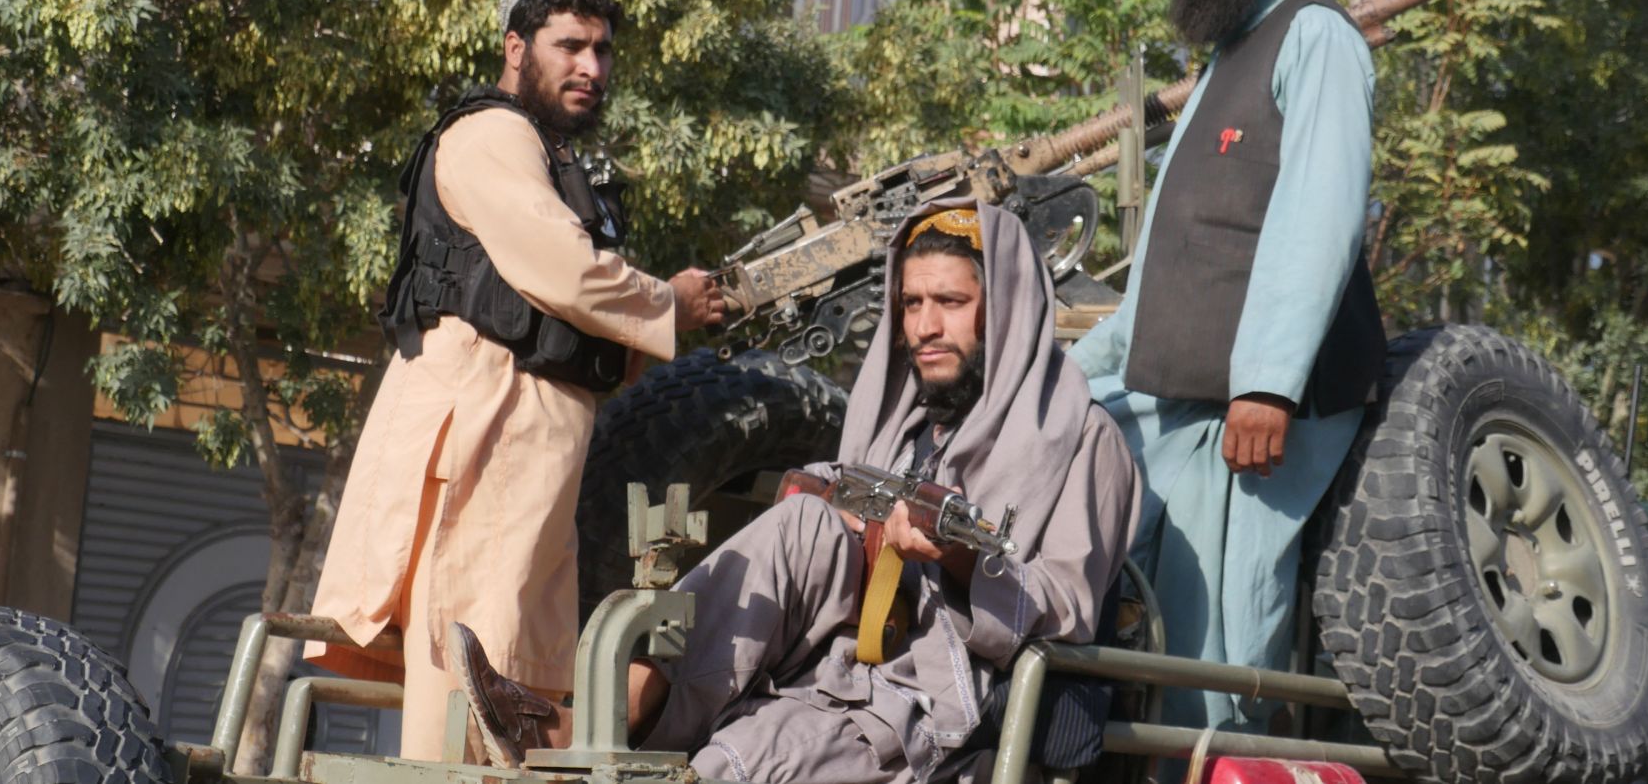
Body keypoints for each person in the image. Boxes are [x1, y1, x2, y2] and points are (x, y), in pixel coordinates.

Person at [452, 202, 1141, 780]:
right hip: (839, 666)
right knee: (806, 527)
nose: (926, 327)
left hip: (947, 702)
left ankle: (608, 720)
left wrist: (955, 557)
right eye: (911, 304)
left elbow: (1068, 609)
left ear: (1008, 311)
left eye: (952, 303)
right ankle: (614, 708)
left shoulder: (1080, 439)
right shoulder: (903, 426)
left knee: (748, 759)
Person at [305, 0, 725, 760]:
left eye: (602, 51)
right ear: (515, 48)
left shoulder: (547, 154)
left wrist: (640, 338)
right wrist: (669, 305)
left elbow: (573, 324)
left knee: (514, 680)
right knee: (467, 664)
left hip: (532, 445)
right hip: (484, 428)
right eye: (569, 45)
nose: (591, 68)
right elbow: (562, 270)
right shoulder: (493, 136)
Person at [1066, 0, 1385, 735]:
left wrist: (1268, 386)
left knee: (1208, 684)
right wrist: (1062, 381)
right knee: (1109, 637)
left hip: (1251, 427)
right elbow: (1173, 267)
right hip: (1174, 404)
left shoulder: (1315, 36)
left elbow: (1317, 216)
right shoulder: (1228, 52)